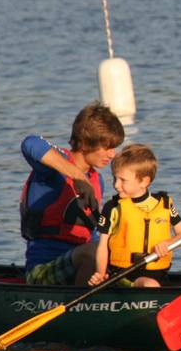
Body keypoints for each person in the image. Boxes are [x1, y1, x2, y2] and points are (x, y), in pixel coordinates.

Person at [20, 102, 124, 286]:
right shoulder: (52, 169)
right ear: (84, 144)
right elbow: (30, 143)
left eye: (114, 147)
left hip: (82, 266)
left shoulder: (96, 180)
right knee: (91, 252)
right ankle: (82, 308)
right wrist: (77, 176)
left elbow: (91, 234)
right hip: (42, 270)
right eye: (106, 147)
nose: (112, 154)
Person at [88, 143, 181, 288]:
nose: (116, 185)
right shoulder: (113, 208)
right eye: (115, 178)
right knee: (150, 285)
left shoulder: (164, 204)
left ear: (144, 181)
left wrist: (168, 243)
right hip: (123, 275)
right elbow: (102, 246)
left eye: (123, 180)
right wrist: (100, 273)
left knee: (152, 284)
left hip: (159, 273)